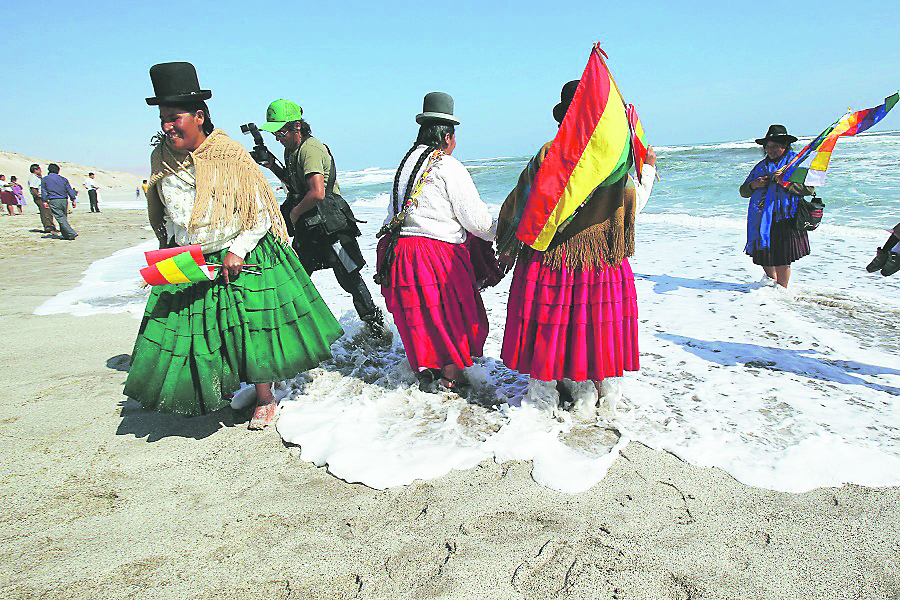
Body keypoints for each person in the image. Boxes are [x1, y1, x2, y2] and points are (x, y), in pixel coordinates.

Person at [124, 61, 343, 429]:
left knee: (248, 327)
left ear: (198, 116)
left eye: (174, 117)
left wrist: (238, 249)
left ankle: (265, 397)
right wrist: (169, 253)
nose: (166, 125)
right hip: (190, 258)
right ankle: (218, 389)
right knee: (202, 331)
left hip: (237, 251)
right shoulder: (160, 156)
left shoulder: (230, 156)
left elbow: (258, 211)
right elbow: (166, 212)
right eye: (162, 118)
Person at [497, 80, 656, 420]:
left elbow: (520, 210)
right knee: (594, 329)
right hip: (600, 262)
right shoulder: (613, 163)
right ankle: (596, 394)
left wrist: (507, 245)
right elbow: (632, 207)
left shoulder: (548, 155)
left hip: (551, 261)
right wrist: (650, 171)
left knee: (553, 327)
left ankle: (544, 399)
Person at [376, 92, 496, 393]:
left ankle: (427, 370)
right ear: (447, 136)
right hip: (433, 255)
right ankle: (450, 376)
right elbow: (476, 221)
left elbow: (395, 212)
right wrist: (503, 233)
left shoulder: (406, 164)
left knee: (424, 317)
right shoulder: (447, 166)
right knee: (456, 317)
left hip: (400, 252)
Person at [256, 99, 385, 336]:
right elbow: (296, 185)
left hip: (331, 225)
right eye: (275, 133)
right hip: (311, 226)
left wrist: (294, 213)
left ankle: (375, 326)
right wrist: (271, 165)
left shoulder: (310, 149)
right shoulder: (291, 150)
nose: (278, 137)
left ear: (297, 126)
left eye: (281, 131)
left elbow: (316, 192)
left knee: (349, 277)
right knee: (297, 276)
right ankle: (299, 332)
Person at [740, 125, 816, 288]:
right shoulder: (760, 167)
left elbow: (809, 189)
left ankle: (782, 291)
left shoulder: (796, 164)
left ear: (785, 145)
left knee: (782, 258)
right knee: (763, 255)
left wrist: (785, 183)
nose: (770, 150)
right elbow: (743, 191)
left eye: (775, 147)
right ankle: (771, 285)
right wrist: (754, 185)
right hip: (760, 218)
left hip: (786, 217)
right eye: (767, 147)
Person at [39, 164, 78, 239]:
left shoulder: (45, 179)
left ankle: (71, 232)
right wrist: (73, 199)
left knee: (60, 218)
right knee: (63, 217)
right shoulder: (63, 179)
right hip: (64, 200)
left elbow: (43, 191)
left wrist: (44, 201)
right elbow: (69, 190)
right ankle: (66, 235)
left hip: (54, 200)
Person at [28, 164, 58, 233]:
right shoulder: (33, 177)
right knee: (45, 212)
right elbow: (33, 188)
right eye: (39, 169)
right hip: (40, 198)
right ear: (35, 170)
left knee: (48, 212)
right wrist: (39, 195)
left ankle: (51, 226)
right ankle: (48, 227)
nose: (40, 170)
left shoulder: (37, 177)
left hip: (42, 197)